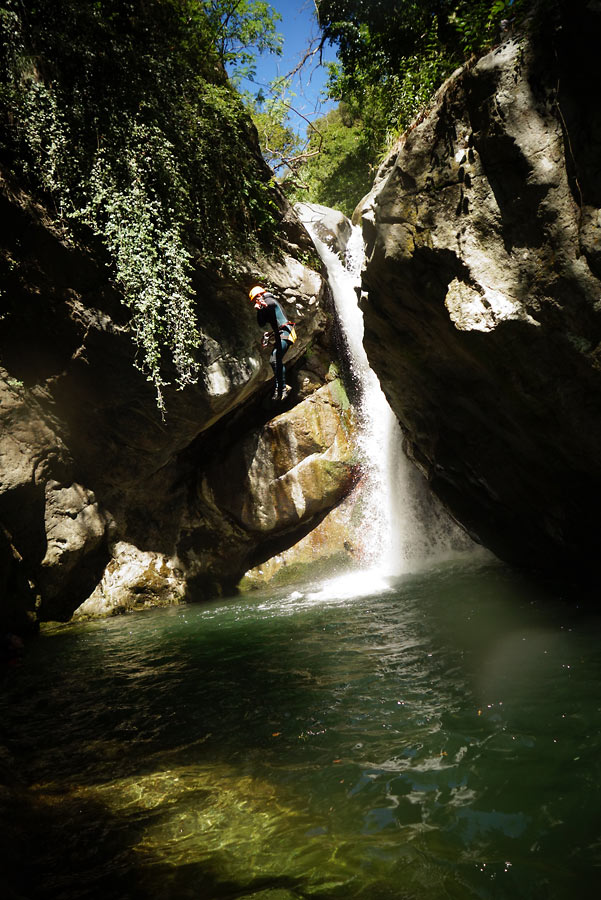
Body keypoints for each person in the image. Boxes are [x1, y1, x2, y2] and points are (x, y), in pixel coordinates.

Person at [249, 285, 296, 401]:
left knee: (275, 359)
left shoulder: (270, 299)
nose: (256, 301)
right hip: (281, 334)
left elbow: (270, 305)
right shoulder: (265, 305)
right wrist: (259, 310)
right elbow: (261, 323)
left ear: (260, 295)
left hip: (286, 332)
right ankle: (280, 387)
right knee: (274, 360)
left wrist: (263, 305)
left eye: (256, 298)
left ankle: (282, 387)